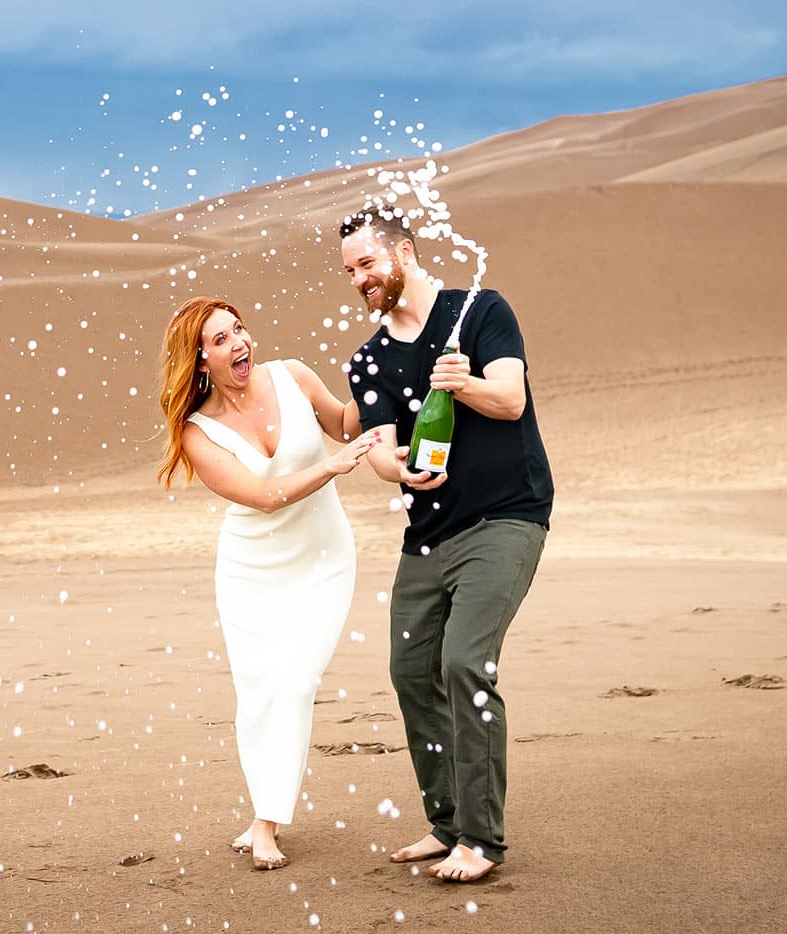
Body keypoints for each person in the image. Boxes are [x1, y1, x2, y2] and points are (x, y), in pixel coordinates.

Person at [338, 206, 553, 883]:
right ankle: (447, 821)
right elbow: (378, 446)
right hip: (428, 533)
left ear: (404, 251)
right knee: (411, 674)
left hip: (507, 516)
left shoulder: (481, 312)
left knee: (464, 663)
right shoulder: (368, 358)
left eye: (368, 263)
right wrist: (399, 468)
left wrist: (463, 384)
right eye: (349, 271)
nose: (359, 279)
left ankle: (481, 841)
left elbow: (511, 401)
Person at [157, 296, 380, 871]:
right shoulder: (196, 432)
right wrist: (330, 467)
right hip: (251, 571)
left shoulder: (294, 375)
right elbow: (259, 497)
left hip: (323, 558)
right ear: (201, 359)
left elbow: (344, 422)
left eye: (240, 329)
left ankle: (265, 823)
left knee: (297, 680)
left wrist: (380, 373)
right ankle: (265, 816)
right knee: (259, 694)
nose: (241, 344)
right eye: (223, 339)